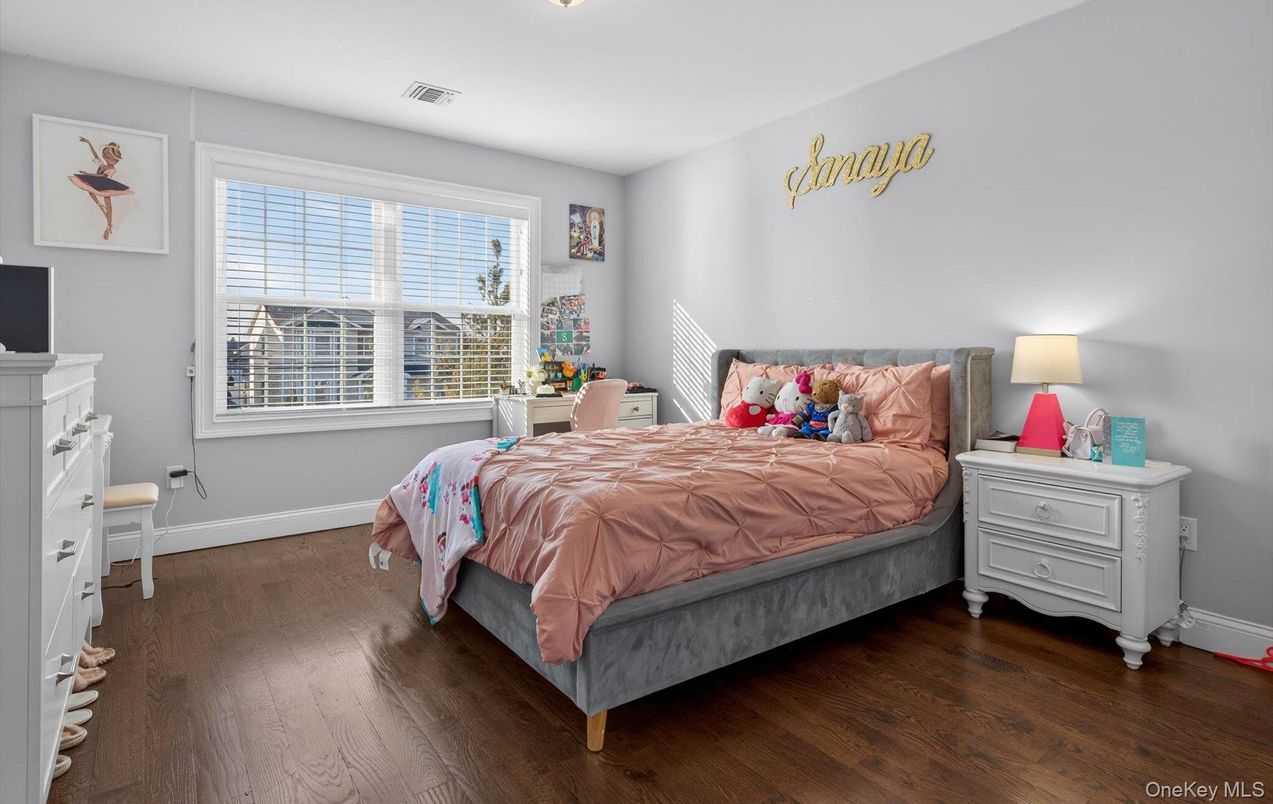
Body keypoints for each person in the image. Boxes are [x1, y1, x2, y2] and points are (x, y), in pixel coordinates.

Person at [68, 137, 134, 240]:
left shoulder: (112, 169)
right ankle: (100, 205)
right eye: (109, 157)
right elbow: (95, 155)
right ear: (105, 156)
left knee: (109, 206)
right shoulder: (102, 164)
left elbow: (102, 176)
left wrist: (87, 173)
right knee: (89, 188)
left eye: (115, 159)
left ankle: (108, 226)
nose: (112, 160)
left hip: (106, 185)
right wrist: (89, 143)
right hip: (97, 182)